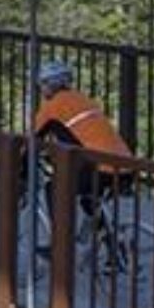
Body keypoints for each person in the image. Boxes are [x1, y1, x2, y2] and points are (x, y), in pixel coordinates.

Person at [31, 58, 132, 216]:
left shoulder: (52, 107)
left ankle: (60, 238)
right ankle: (109, 237)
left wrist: (18, 167)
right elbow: (82, 137)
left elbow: (31, 139)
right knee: (89, 199)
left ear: (50, 85)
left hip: (101, 169)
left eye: (42, 84)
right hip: (126, 167)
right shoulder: (84, 100)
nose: (41, 89)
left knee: (53, 188)